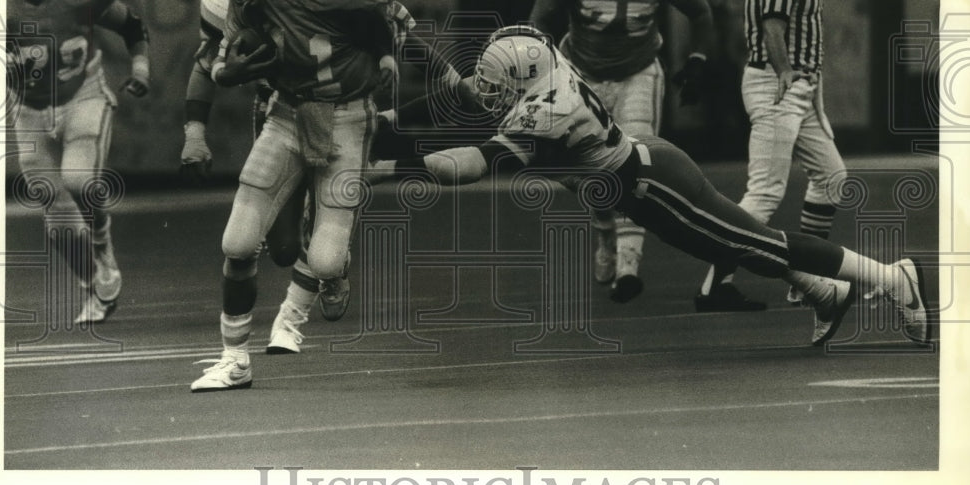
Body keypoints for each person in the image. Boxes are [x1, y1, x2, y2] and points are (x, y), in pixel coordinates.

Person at [368, 27, 931, 349]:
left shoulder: (546, 109)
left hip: (652, 185)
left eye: (499, 87)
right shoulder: (540, 66)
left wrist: (386, 171)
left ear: (522, 80)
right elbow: (469, 96)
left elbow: (470, 164)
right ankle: (826, 293)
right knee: (737, 244)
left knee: (755, 245)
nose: (490, 95)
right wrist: (390, 123)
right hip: (644, 176)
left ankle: (892, 277)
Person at [190, 0, 456, 392]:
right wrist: (230, 71)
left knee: (329, 258)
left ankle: (361, 197)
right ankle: (234, 358)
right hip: (285, 113)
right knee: (241, 242)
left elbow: (392, 29)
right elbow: (221, 57)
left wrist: (400, 65)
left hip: (346, 116)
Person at [530, 0, 762, 311]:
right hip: (578, 68)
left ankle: (628, 269)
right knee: (572, 167)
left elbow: (700, 13)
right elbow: (540, 21)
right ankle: (602, 225)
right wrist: (540, 72)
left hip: (638, 69)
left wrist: (696, 60)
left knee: (633, 166)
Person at [698, 0, 852, 309]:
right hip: (776, 82)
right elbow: (772, 25)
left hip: (797, 85)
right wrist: (785, 71)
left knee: (833, 178)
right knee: (764, 191)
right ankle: (715, 283)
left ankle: (808, 273)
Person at [6, 0, 150, 324]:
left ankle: (102, 238)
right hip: (29, 108)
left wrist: (140, 68)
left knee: (79, 180)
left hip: (82, 94)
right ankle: (93, 286)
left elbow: (131, 25)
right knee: (55, 211)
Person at [179, 0, 304, 271]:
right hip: (279, 107)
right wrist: (195, 133)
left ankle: (372, 166)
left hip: (338, 102)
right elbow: (207, 63)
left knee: (331, 213)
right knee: (283, 249)